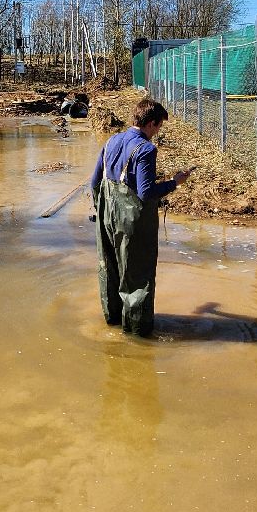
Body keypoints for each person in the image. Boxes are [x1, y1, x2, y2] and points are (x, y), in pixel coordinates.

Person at [89, 98, 190, 338]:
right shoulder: (146, 149)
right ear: (151, 123)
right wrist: (174, 183)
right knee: (137, 274)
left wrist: (100, 209)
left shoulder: (112, 140)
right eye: (158, 127)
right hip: (131, 220)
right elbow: (145, 192)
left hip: (106, 214)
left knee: (110, 267)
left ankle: (112, 320)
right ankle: (136, 333)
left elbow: (95, 182)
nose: (157, 133)